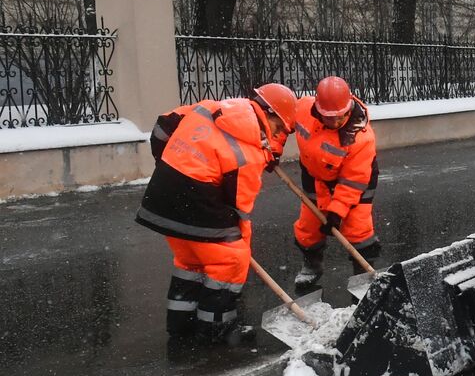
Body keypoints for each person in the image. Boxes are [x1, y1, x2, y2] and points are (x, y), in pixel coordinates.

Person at [137, 83, 297, 342]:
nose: (278, 134)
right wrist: (241, 247)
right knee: (230, 260)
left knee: (191, 260)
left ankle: (181, 323)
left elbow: (163, 126)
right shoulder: (249, 154)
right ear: (270, 116)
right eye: (279, 128)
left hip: (161, 193)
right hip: (196, 200)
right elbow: (239, 210)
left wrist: (169, 164)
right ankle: (216, 328)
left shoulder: (212, 107)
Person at [293, 76, 380, 290]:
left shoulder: (360, 137)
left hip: (355, 180)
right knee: (309, 227)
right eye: (328, 117)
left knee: (358, 229)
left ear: (349, 107)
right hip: (315, 176)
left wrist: (337, 212)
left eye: (340, 117)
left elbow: (352, 181)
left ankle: (362, 276)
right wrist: (272, 150)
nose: (335, 122)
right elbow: (278, 122)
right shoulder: (303, 109)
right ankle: (311, 265)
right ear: (317, 108)